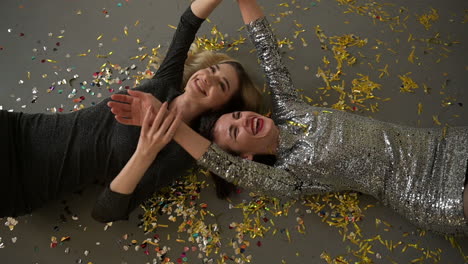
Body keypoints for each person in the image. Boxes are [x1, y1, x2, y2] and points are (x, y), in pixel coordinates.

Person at [110, 0, 468, 236]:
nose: (241, 121)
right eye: (234, 133)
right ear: (247, 157)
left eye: (236, 114)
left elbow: (267, 49)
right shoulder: (287, 178)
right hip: (431, 194)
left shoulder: (290, 108)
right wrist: (163, 121)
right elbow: (217, 162)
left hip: (444, 142)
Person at [0, 0, 263, 222]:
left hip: (22, 182)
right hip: (17, 130)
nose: (209, 77)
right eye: (213, 70)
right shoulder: (164, 83)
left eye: (222, 85)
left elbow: (105, 212)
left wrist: (145, 151)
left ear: (221, 108)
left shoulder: (181, 153)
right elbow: (188, 23)